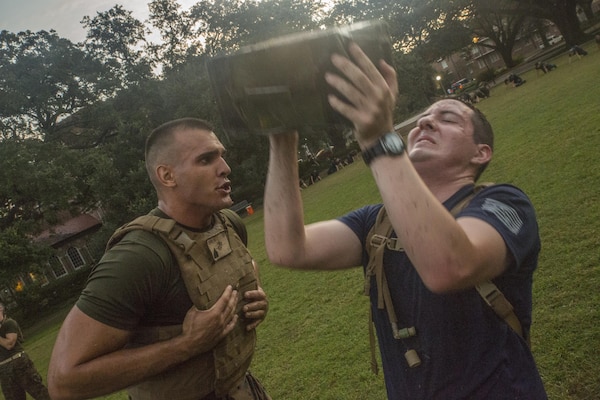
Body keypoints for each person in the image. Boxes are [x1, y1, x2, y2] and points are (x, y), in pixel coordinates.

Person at [263, 43, 547, 399]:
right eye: (424, 117)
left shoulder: (506, 203)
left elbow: (449, 266)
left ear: (481, 153)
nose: (426, 120)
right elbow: (287, 248)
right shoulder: (375, 224)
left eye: (448, 119)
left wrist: (379, 141)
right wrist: (281, 137)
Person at [48, 118, 270, 400]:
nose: (225, 168)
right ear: (167, 176)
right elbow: (64, 381)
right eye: (206, 159)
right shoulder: (138, 256)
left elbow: (243, 265)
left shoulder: (228, 223)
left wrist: (254, 295)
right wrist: (187, 344)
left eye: (221, 156)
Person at [0, 303, 51, 400]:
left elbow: (9, 344)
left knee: (39, 392)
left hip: (19, 363)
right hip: (4, 369)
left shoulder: (9, 323)